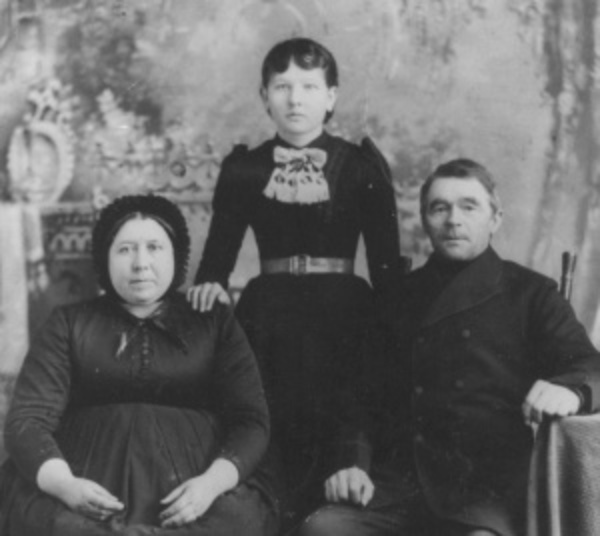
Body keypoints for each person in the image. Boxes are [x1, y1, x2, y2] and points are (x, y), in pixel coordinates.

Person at [186, 37, 401, 530]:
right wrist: (210, 286)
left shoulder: (360, 166)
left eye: (308, 86)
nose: (295, 99)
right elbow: (215, 263)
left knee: (347, 405)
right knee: (268, 413)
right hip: (270, 312)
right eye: (282, 87)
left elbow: (386, 266)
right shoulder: (246, 167)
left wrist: (393, 322)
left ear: (331, 97)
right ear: (265, 97)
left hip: (345, 311)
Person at [0, 194, 279, 536]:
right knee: (56, 525)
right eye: (125, 249)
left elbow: (251, 421)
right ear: (105, 258)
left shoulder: (213, 322)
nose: (141, 263)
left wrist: (209, 486)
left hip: (195, 491)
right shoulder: (68, 323)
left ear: (176, 256)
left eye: (154, 248)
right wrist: (66, 486)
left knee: (239, 520)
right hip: (86, 487)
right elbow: (28, 420)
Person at [366, 158, 600, 536]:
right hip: (401, 484)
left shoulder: (530, 293)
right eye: (439, 208)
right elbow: (363, 392)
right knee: (324, 528)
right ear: (425, 220)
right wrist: (353, 462)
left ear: (496, 218)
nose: (453, 220)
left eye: (468, 206)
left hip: (487, 491)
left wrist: (571, 390)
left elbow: (592, 365)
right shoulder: (399, 296)